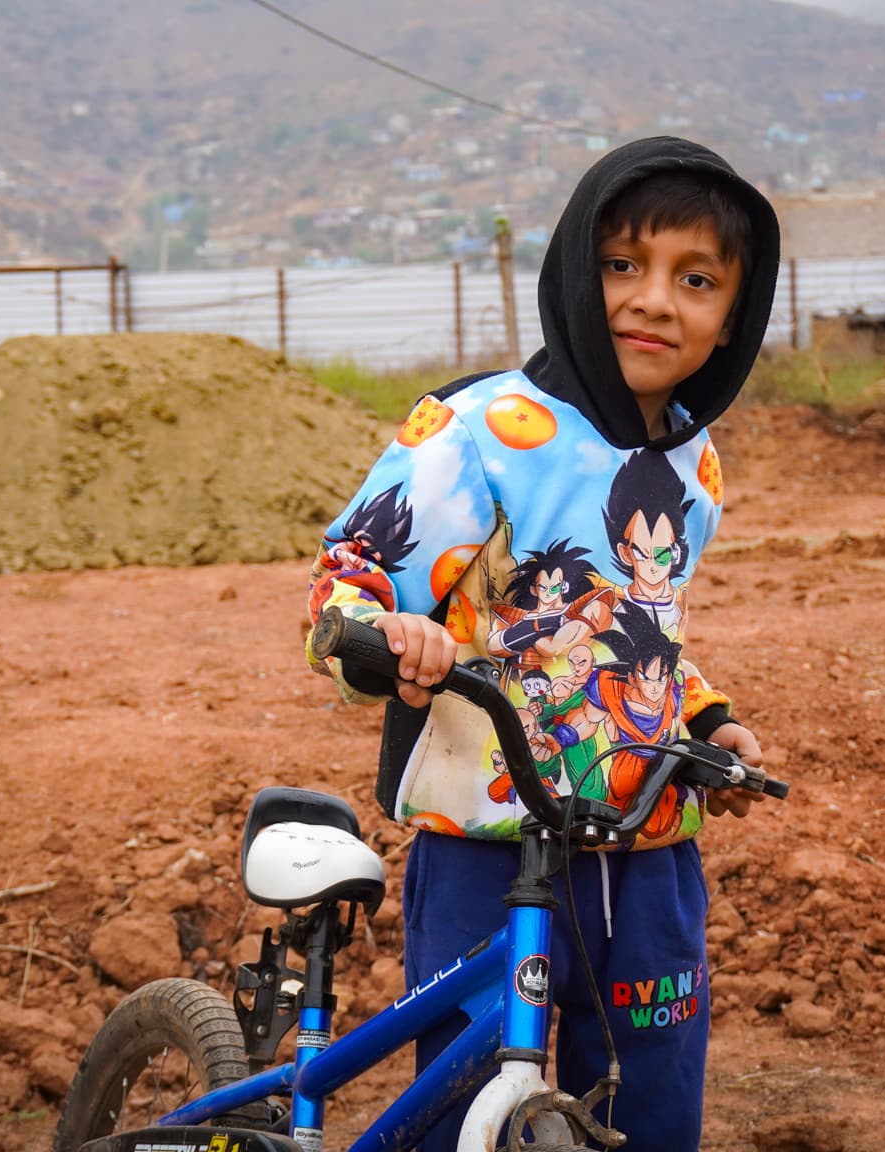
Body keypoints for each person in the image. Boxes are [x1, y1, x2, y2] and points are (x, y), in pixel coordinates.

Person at [306, 136, 780, 1151]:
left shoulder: (693, 466)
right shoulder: (476, 431)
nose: (654, 300)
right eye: (622, 265)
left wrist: (706, 717)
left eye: (694, 280)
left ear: (733, 316)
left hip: (645, 848)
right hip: (489, 843)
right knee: (465, 1098)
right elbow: (352, 575)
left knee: (649, 1102)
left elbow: (636, 631)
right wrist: (384, 633)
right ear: (573, 269)